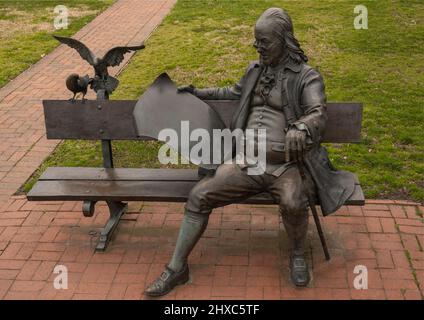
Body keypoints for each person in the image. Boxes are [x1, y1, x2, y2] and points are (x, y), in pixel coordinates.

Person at [144, 7, 355, 297]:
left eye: (264, 42)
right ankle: (176, 268)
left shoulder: (306, 76)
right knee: (198, 196)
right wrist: (198, 92)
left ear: (284, 40)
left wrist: (302, 128)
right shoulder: (255, 70)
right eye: (256, 41)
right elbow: (232, 92)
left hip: (286, 167)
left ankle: (297, 254)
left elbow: (317, 112)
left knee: (294, 203)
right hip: (246, 163)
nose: (259, 48)